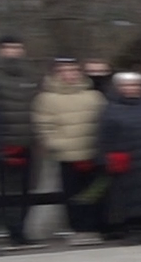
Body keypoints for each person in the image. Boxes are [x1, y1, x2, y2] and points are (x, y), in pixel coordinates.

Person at [31, 57, 106, 243]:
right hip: (68, 154)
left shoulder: (94, 96)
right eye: (64, 71)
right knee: (73, 194)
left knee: (95, 191)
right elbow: (43, 125)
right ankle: (79, 229)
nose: (69, 75)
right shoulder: (46, 98)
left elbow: (105, 121)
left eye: (73, 71)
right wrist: (56, 144)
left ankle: (97, 226)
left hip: (93, 152)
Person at [96, 72, 141, 245]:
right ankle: (129, 229)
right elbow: (103, 136)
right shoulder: (111, 108)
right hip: (124, 160)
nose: (132, 89)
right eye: (127, 86)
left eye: (136, 85)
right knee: (126, 196)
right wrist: (104, 158)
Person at [0, 37, 40, 246]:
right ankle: (1, 229)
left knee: (25, 189)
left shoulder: (30, 75)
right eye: (8, 48)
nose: (13, 52)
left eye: (17, 47)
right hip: (2, 142)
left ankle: (20, 230)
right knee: (2, 189)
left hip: (27, 142)